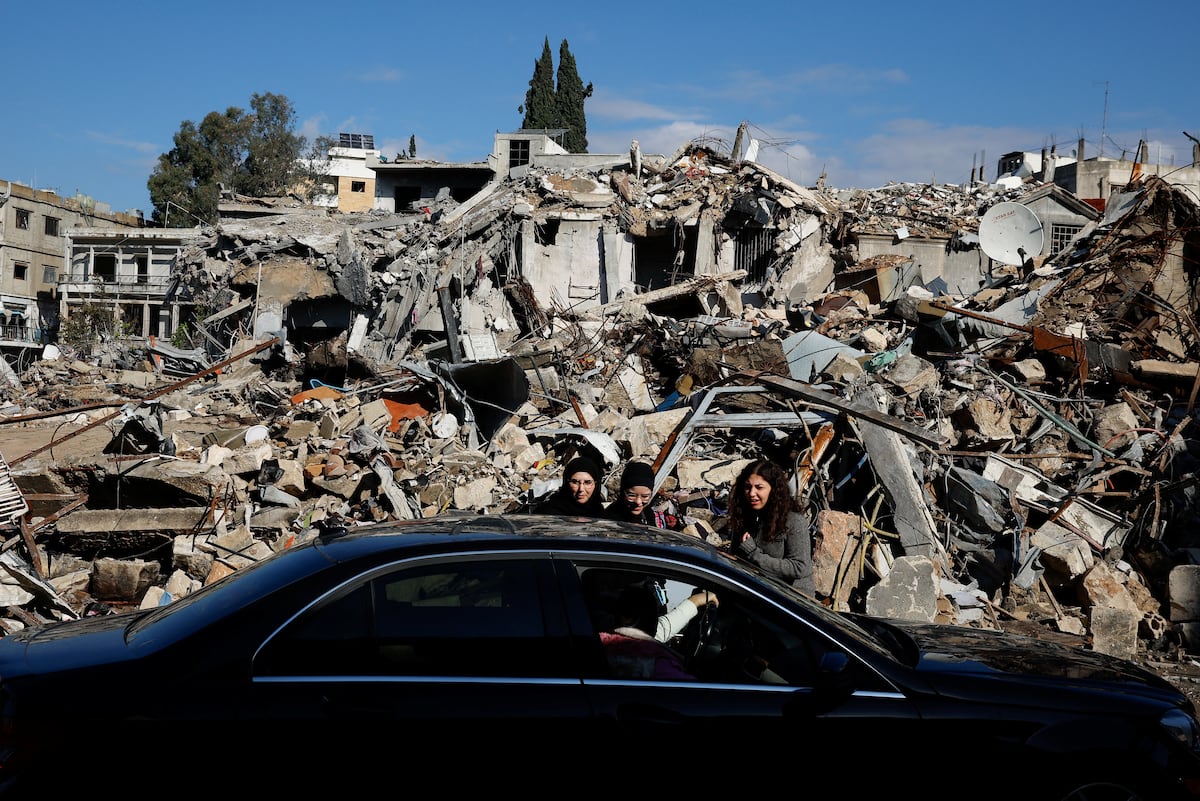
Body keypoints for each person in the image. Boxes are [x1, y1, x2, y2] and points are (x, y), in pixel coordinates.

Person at [725, 459, 815, 597]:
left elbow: (800, 567)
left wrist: (755, 555)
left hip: (790, 601)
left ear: (773, 489)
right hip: (755, 593)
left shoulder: (793, 521)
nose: (751, 493)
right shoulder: (745, 517)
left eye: (759, 487)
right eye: (748, 487)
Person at [598, 579, 718, 680]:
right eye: (654, 616)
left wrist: (694, 601)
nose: (656, 622)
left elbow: (659, 629)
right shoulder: (657, 664)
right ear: (627, 618)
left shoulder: (599, 638)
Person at [534, 455, 606, 516]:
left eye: (587, 482)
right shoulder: (548, 513)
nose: (581, 489)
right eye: (575, 482)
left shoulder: (600, 514)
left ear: (596, 485)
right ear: (566, 483)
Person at [603, 460, 660, 526]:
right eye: (632, 495)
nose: (638, 502)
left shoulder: (648, 514)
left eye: (645, 496)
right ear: (622, 492)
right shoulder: (610, 518)